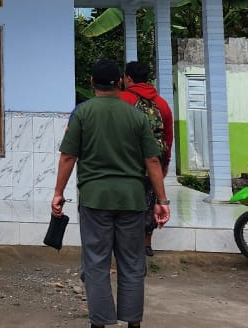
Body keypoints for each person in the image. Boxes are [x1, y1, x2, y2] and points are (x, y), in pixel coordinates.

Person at [54, 59, 169, 328]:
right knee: (132, 262)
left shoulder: (82, 113)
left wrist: (58, 193)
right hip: (132, 199)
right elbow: (152, 161)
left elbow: (69, 156)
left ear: (92, 82)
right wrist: (161, 201)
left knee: (96, 263)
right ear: (119, 82)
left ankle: (100, 323)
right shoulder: (137, 116)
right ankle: (133, 323)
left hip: (95, 200)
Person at [119, 61, 173, 257]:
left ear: (128, 78)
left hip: (126, 162)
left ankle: (124, 244)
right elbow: (168, 137)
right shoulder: (162, 104)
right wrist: (164, 164)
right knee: (149, 200)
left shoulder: (121, 99)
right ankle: (146, 244)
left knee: (125, 202)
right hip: (153, 162)